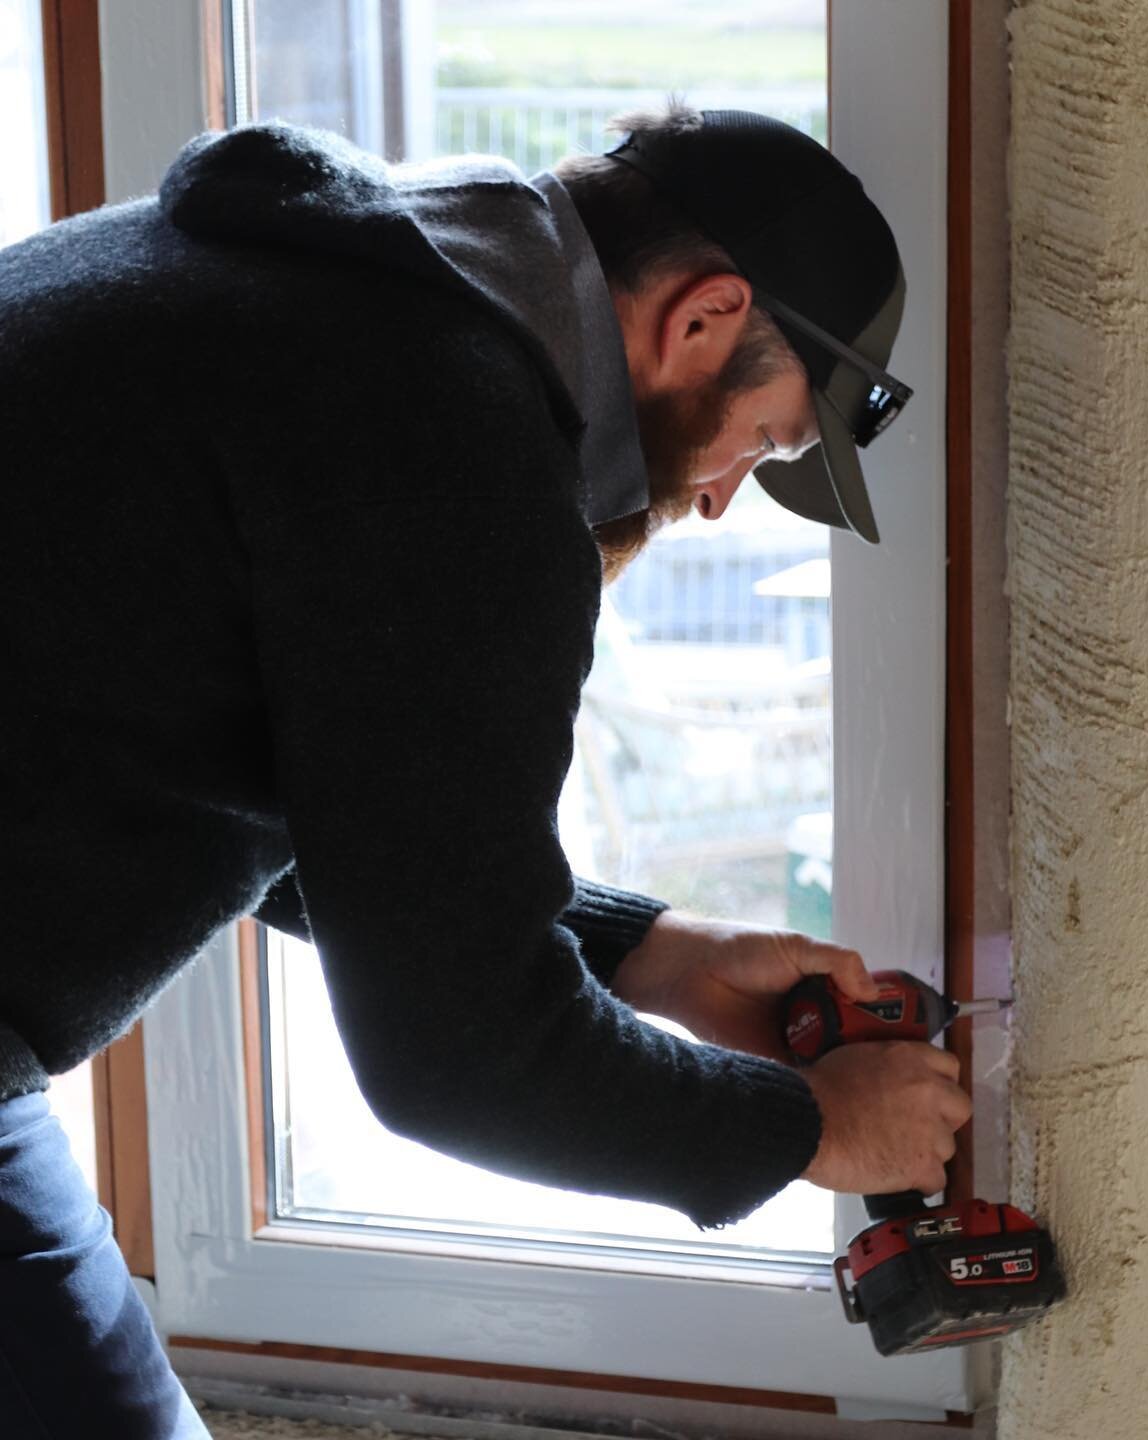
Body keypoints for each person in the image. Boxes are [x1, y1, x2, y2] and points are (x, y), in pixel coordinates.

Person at [0, 103, 973, 1436]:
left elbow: (330, 801)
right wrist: (809, 1129)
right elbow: (456, 1054)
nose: (725, 495)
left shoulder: (339, 279)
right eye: (771, 440)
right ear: (702, 317)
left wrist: (654, 954)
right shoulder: (450, 440)